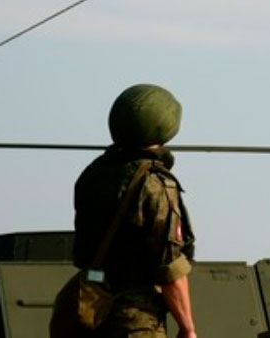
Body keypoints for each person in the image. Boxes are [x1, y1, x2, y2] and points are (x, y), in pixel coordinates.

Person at [69, 85, 196, 338]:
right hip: (136, 320)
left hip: (90, 312)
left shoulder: (93, 174)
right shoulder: (155, 183)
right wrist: (187, 327)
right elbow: (169, 266)